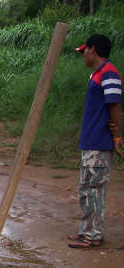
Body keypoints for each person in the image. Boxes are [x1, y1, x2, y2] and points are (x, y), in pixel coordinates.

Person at [68, 34, 122, 249]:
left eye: (85, 51)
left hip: (99, 143)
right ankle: (86, 231)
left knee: (94, 189)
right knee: (86, 189)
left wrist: (117, 135)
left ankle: (92, 235)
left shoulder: (109, 74)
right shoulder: (98, 74)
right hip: (91, 141)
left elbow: (115, 105)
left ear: (93, 50)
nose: (84, 56)